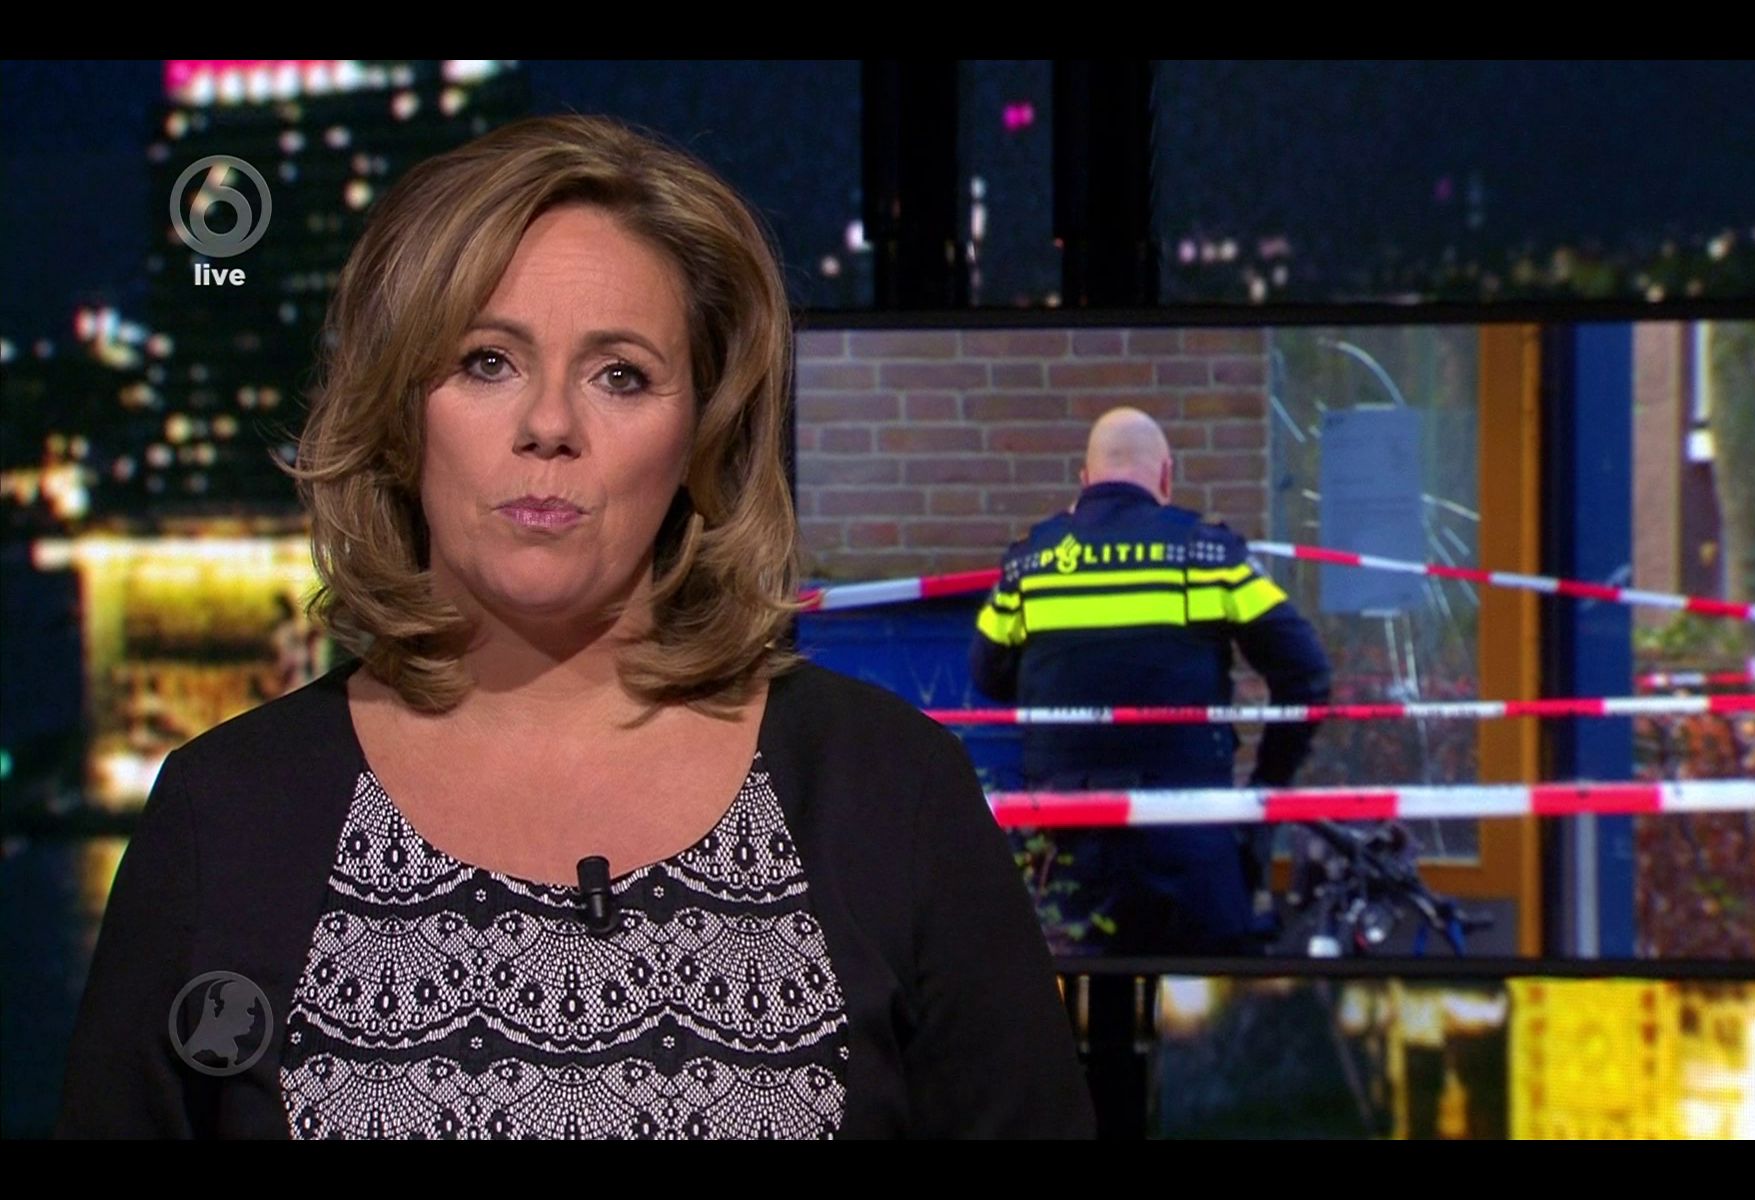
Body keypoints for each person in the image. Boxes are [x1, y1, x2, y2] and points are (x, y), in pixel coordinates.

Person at [55, 114, 1092, 1140]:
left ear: (701, 436)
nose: (549, 426)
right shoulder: (226, 814)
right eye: (486, 362)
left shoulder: (889, 792)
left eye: (620, 375)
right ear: (399, 413)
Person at [970, 407, 1331, 956]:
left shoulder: (1031, 564)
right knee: (1205, 1002)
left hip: (1066, 849)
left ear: (1084, 482)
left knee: (1072, 998)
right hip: (1190, 846)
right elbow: (1306, 674)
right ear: (1166, 475)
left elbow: (987, 676)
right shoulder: (1206, 555)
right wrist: (1262, 797)